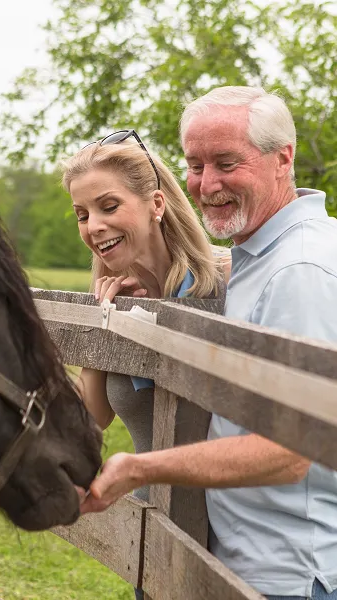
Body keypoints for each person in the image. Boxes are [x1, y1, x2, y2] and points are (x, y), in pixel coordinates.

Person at [78, 86, 337, 600]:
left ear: (282, 158)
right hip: (229, 560)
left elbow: (291, 450)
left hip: (287, 575)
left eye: (226, 162)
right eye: (195, 165)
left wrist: (138, 467)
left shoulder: (299, 268)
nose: (207, 183)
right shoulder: (253, 259)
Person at [62, 130, 230, 503]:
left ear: (156, 204)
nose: (93, 227)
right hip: (150, 530)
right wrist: (103, 325)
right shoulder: (112, 297)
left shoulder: (227, 279)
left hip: (232, 530)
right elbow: (92, 420)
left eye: (108, 206)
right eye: (82, 214)